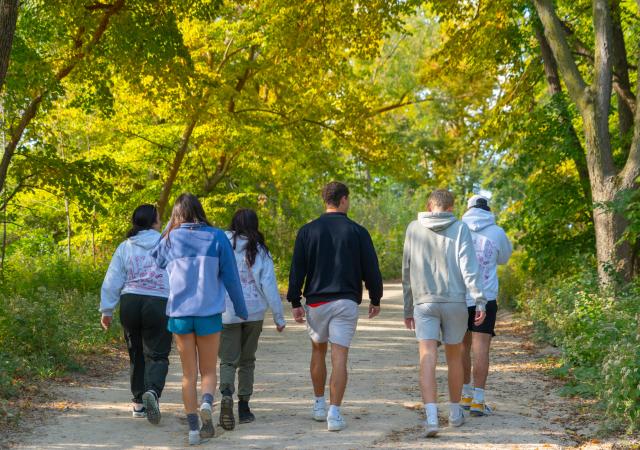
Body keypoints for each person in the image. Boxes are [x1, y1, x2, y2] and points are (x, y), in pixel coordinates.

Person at [151, 193, 248, 446]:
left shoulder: (170, 238)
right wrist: (241, 308)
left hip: (180, 316)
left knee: (187, 374)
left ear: (177, 214)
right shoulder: (217, 237)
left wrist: (169, 230)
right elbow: (231, 277)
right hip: (208, 314)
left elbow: (157, 261)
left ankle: (193, 430)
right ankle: (206, 402)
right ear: (200, 210)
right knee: (208, 371)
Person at [287, 181, 383, 432]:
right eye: (348, 199)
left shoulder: (308, 231)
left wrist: (295, 301)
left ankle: (319, 404)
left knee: (318, 352)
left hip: (317, 301)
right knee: (339, 356)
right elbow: (371, 268)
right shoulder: (358, 231)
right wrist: (375, 297)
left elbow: (297, 268)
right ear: (343, 200)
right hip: (346, 301)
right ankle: (334, 413)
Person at [402, 189, 486, 438]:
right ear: (451, 208)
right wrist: (479, 300)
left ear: (429, 206)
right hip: (454, 302)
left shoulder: (413, 228)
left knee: (427, 355)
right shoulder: (460, 228)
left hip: (424, 303)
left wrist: (408, 308)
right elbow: (468, 267)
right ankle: (455, 412)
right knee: (454, 357)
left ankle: (430, 418)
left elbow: (407, 271)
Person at [100, 204, 172, 424]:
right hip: (158, 302)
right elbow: (177, 274)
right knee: (158, 354)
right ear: (153, 222)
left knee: (136, 353)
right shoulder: (166, 244)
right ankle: (152, 391)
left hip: (130, 301)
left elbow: (113, 279)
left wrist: (107, 309)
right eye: (159, 218)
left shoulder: (125, 246)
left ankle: (138, 404)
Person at [218, 208, 286, 430]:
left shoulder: (220, 244)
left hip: (226, 312)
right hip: (254, 312)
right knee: (247, 361)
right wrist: (278, 317)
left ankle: (226, 395)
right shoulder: (260, 250)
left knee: (228, 360)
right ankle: (244, 407)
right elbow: (269, 286)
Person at [460, 195, 512, 416]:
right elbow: (504, 259)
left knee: (462, 346)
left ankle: (465, 395)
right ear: (487, 209)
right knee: (481, 348)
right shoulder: (497, 232)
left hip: (460, 296)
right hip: (486, 297)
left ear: (468, 208)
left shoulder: (458, 229)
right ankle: (478, 401)